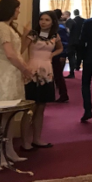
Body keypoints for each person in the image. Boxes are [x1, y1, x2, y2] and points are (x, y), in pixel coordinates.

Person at [0, 0, 34, 163]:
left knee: (11, 114)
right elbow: (9, 54)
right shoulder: (0, 27)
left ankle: (9, 150)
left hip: (13, 73)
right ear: (9, 9)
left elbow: (18, 51)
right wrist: (25, 69)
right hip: (6, 74)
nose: (19, 11)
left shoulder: (9, 28)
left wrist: (25, 36)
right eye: (17, 8)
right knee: (3, 114)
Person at [21, 11, 62, 150]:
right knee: (30, 107)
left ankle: (37, 139)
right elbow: (20, 49)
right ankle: (25, 142)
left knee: (41, 107)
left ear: (52, 22)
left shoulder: (55, 36)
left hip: (47, 71)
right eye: (41, 19)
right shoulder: (32, 34)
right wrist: (24, 35)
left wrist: (52, 54)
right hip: (32, 69)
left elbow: (60, 48)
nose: (43, 22)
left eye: (47, 20)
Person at [52, 9, 70, 103]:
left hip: (58, 55)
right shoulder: (52, 27)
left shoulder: (60, 27)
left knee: (58, 75)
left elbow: (64, 43)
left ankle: (63, 94)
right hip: (51, 55)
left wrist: (63, 55)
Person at [66, 9, 85, 78]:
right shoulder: (84, 20)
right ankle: (78, 66)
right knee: (80, 54)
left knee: (72, 55)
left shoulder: (72, 21)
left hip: (73, 40)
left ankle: (74, 67)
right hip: (81, 40)